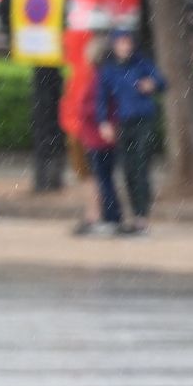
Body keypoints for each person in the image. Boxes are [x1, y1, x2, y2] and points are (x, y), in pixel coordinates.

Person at [96, 30, 164, 235]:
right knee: (127, 169)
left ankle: (142, 215)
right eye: (121, 43)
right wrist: (103, 122)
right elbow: (102, 98)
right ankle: (134, 213)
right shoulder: (108, 70)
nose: (124, 47)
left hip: (144, 120)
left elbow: (161, 81)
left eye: (127, 43)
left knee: (141, 166)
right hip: (123, 122)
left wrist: (151, 84)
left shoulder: (141, 63)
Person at [70, 36, 122, 236]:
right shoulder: (104, 76)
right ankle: (110, 216)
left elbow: (95, 106)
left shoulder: (99, 78)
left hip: (98, 136)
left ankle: (110, 217)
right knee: (104, 178)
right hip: (96, 135)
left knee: (103, 178)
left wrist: (86, 115)